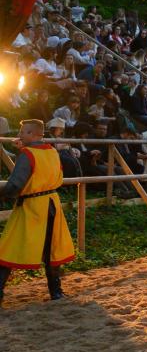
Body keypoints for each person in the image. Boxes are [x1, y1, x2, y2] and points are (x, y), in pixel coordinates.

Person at [0, 120, 77, 306]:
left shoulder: (27, 154)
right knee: (51, 247)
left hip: (32, 206)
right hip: (51, 203)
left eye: (23, 132)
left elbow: (16, 184)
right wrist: (23, 150)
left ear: (33, 134)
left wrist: (3, 194)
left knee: (9, 247)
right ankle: (56, 292)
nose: (19, 135)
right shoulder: (51, 151)